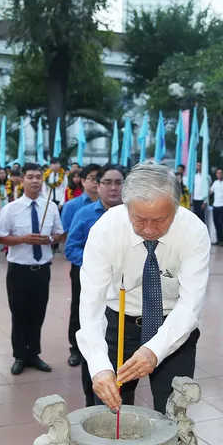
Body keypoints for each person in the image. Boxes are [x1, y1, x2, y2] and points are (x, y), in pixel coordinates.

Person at [77, 163, 210, 413]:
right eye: (139, 219)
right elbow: (91, 303)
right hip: (119, 326)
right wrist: (99, 366)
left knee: (173, 412)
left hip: (172, 326)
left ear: (176, 206)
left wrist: (154, 351)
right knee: (113, 414)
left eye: (160, 220)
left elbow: (190, 304)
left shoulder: (193, 230)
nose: (149, 230)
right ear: (126, 207)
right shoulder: (106, 230)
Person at [64, 164, 125, 406]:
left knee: (118, 339)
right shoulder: (85, 214)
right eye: (108, 182)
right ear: (97, 186)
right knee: (93, 334)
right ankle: (93, 398)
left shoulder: (133, 214)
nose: (113, 187)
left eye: (118, 182)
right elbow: (71, 248)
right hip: (91, 284)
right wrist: (97, 267)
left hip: (123, 290)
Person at [0, 163, 64, 375]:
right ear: (22, 180)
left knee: (38, 313)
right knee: (19, 314)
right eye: (30, 177)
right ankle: (19, 355)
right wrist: (22, 239)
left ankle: (34, 353)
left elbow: (59, 233)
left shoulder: (50, 207)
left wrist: (50, 239)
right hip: (19, 270)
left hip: (42, 269)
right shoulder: (11, 208)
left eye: (38, 177)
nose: (35, 181)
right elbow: (0, 236)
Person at [60, 164, 102, 367]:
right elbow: (69, 240)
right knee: (79, 307)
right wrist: (91, 262)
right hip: (82, 267)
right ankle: (76, 348)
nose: (95, 183)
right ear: (82, 181)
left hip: (109, 270)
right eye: (91, 178)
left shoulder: (116, 207)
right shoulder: (73, 207)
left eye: (98, 178)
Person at [209, 168, 223, 245]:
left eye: (220, 173)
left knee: (221, 223)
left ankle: (222, 240)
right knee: (216, 223)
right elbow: (210, 192)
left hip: (222, 205)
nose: (219, 174)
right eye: (217, 173)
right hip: (215, 205)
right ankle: (218, 239)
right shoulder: (215, 183)